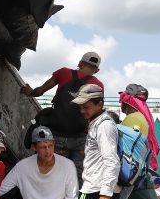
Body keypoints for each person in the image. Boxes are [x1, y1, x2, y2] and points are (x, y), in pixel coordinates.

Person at [21, 52, 104, 184]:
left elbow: (39, 91)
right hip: (80, 138)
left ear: (80, 63)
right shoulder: (98, 85)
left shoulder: (64, 72)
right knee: (78, 175)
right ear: (97, 70)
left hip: (58, 135)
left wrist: (29, 91)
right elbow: (96, 111)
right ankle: (75, 197)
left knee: (55, 173)